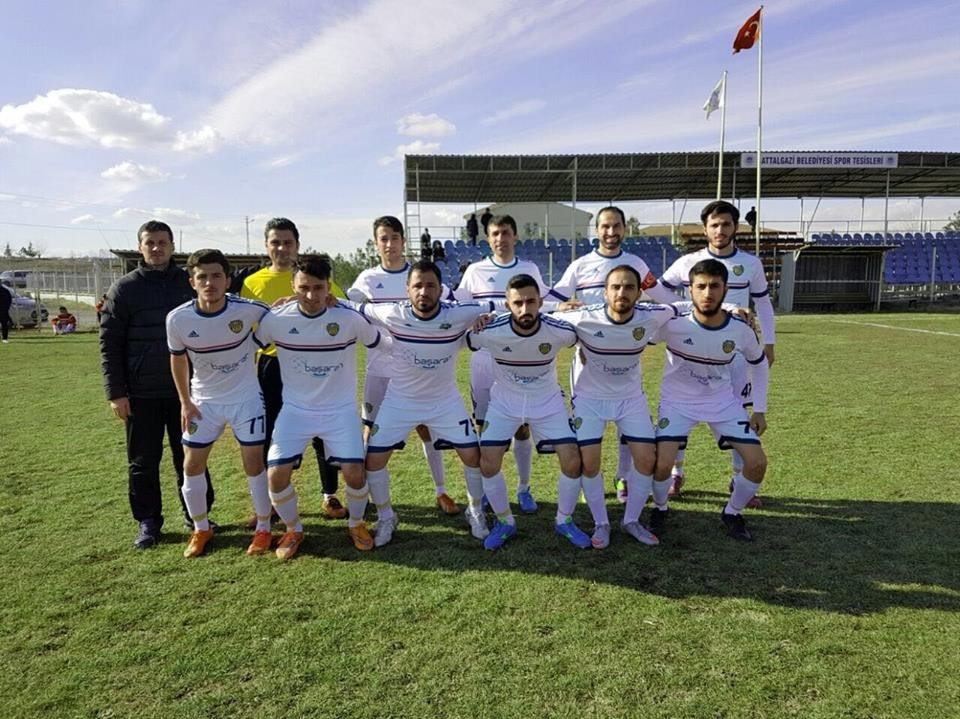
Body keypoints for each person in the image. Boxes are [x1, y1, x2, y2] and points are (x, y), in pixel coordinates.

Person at [547, 205, 681, 504]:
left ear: (625, 229)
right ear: (596, 230)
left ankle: (623, 477)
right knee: (589, 427)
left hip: (626, 356)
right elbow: (549, 301)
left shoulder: (636, 264)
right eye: (605, 226)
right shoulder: (580, 266)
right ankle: (588, 481)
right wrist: (558, 307)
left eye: (616, 226)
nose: (611, 232)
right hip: (586, 360)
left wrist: (718, 308)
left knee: (627, 422)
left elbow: (665, 298)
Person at [253, 255, 383, 560]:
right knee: (276, 475)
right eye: (304, 287)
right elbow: (247, 342)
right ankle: (294, 529)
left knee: (354, 472)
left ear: (329, 287)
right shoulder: (277, 319)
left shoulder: (348, 318)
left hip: (340, 411)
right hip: (296, 410)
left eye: (319, 287)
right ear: (293, 285)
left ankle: (357, 523)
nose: (311, 295)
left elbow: (380, 343)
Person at [358, 261, 494, 547]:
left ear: (441, 290)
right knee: (373, 460)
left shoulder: (459, 313)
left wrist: (488, 318)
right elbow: (353, 307)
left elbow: (508, 306)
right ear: (407, 289)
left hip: (444, 401)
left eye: (430, 285)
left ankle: (475, 510)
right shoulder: (391, 312)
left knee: (473, 456)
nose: (423, 291)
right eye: (417, 285)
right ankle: (386, 517)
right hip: (400, 401)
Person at [100, 220, 215, 549]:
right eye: (150, 242)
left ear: (172, 246)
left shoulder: (188, 282)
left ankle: (198, 515)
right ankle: (148, 521)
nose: (156, 248)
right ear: (140, 247)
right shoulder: (124, 289)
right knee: (143, 461)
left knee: (190, 457)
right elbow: (109, 344)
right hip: (141, 393)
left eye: (162, 242)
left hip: (188, 392)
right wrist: (116, 393)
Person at [659, 200, 775, 504]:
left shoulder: (751, 264)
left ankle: (739, 481)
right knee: (678, 411)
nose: (720, 230)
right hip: (690, 350)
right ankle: (676, 473)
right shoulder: (687, 262)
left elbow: (763, 303)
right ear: (705, 228)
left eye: (726, 224)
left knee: (738, 414)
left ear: (735, 227)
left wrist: (770, 344)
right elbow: (659, 292)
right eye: (714, 225)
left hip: (735, 353)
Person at [231, 218, 346, 520]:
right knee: (274, 430)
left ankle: (329, 494)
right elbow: (246, 327)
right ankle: (273, 496)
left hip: (315, 362)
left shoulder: (315, 276)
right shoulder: (253, 283)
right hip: (273, 364)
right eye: (275, 242)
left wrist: (333, 302)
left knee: (323, 430)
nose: (281, 248)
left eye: (288, 242)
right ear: (267, 246)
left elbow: (341, 309)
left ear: (297, 244)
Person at [346, 215, 459, 515]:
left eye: (394, 238)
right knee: (370, 431)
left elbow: (449, 305)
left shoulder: (420, 275)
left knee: (426, 429)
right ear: (376, 243)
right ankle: (368, 493)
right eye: (383, 238)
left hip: (418, 371)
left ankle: (441, 490)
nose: (389, 244)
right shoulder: (367, 279)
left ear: (403, 241)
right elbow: (348, 309)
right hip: (379, 367)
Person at [652, 259, 770, 541]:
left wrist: (760, 409)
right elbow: (630, 338)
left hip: (722, 403)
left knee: (757, 464)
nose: (708, 293)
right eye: (701, 286)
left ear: (726, 289)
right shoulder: (671, 325)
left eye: (714, 286)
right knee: (659, 464)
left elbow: (760, 363)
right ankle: (660, 508)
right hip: (677, 402)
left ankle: (732, 512)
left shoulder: (741, 329)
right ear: (689, 290)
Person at [559, 265, 677, 547]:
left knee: (647, 460)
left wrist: (734, 308)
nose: (621, 292)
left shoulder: (653, 314)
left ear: (639, 293)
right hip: (590, 399)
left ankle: (631, 520)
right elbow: (533, 315)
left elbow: (685, 306)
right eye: (615, 287)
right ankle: (601, 524)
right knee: (590, 463)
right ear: (605, 292)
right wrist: (559, 305)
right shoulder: (583, 317)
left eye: (628, 287)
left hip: (630, 399)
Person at [166, 249, 271, 558]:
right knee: (191, 464)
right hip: (203, 403)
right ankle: (201, 528)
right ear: (192, 281)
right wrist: (185, 401)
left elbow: (277, 319)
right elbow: (178, 361)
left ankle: (264, 527)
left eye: (216, 276)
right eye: (202, 277)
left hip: (246, 399)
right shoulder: (178, 318)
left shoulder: (250, 310)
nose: (209, 283)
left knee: (253, 463)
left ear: (227, 280)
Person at [466, 274, 580, 550]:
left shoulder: (561, 330)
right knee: (488, 462)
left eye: (531, 302)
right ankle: (505, 522)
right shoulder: (490, 330)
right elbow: (468, 340)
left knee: (572, 460)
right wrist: (477, 319)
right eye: (517, 303)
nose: (525, 309)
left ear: (541, 302)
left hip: (547, 401)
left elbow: (585, 332)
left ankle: (564, 520)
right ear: (507, 304)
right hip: (505, 402)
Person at [454, 215, 551, 512]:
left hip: (520, 358)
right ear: (487, 237)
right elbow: (461, 308)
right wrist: (475, 319)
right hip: (485, 359)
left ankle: (524, 488)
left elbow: (545, 303)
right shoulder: (474, 271)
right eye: (495, 233)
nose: (500, 238)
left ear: (515, 236)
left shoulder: (529, 269)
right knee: (485, 425)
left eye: (506, 233)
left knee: (522, 425)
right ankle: (484, 490)